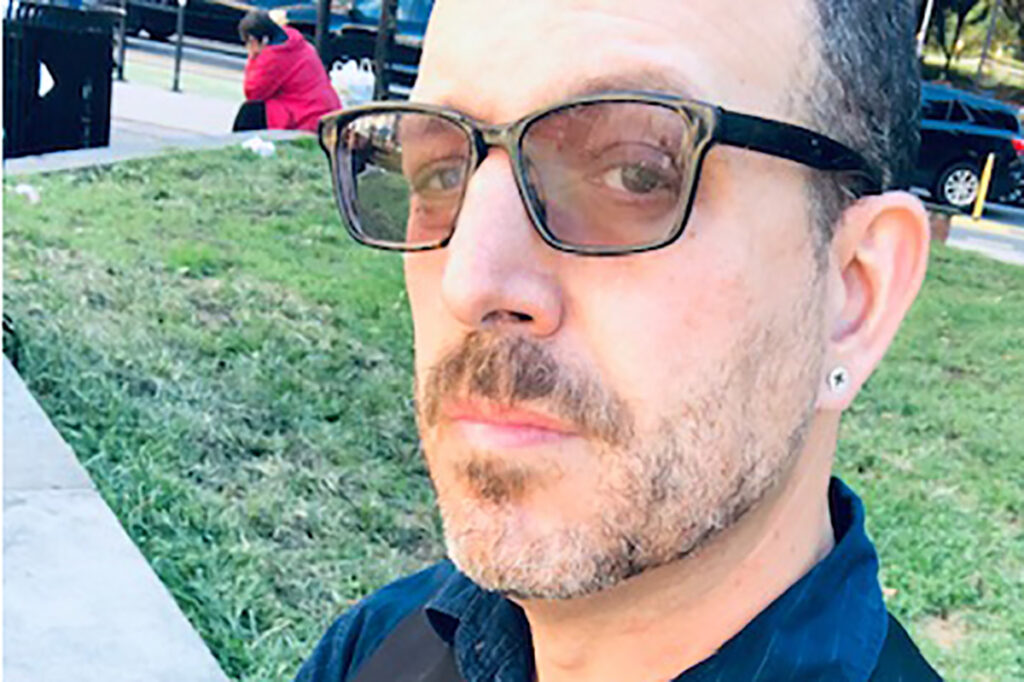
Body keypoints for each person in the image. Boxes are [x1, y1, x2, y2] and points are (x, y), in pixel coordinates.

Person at [298, 0, 943, 680]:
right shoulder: (381, 645)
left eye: (635, 174)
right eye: (441, 173)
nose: (469, 282)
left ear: (853, 295)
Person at [233, 11, 340, 133]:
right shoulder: (296, 42)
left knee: (250, 113)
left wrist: (253, 58)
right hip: (324, 111)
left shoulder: (273, 57)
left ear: (254, 40)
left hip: (307, 118)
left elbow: (252, 92)